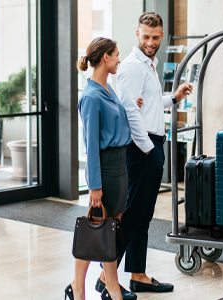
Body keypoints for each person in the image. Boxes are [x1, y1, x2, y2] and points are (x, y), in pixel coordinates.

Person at [94, 12, 192, 298]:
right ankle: (106, 276)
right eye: (146, 37)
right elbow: (131, 112)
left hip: (149, 145)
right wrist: (149, 150)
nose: (151, 42)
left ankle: (138, 275)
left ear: (161, 36)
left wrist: (174, 97)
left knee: (142, 215)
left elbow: (147, 103)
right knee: (133, 215)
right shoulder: (133, 67)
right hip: (142, 148)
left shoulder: (148, 65)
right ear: (137, 34)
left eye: (155, 37)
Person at [67, 37, 129, 300]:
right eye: (116, 54)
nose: (118, 59)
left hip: (120, 168)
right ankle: (97, 288)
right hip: (105, 169)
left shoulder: (108, 89)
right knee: (97, 229)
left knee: (108, 232)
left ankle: (85, 286)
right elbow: (91, 145)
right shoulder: (91, 96)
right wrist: (94, 186)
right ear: (105, 57)